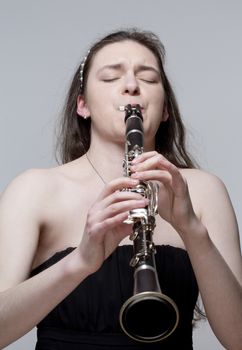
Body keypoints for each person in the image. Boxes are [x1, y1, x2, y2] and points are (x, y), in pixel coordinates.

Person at [0, 28, 241, 350]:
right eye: (111, 77)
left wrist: (191, 229)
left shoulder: (204, 189)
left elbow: (237, 339)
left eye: (149, 79)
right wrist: (79, 262)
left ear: (166, 109)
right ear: (82, 105)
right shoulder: (34, 189)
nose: (131, 86)